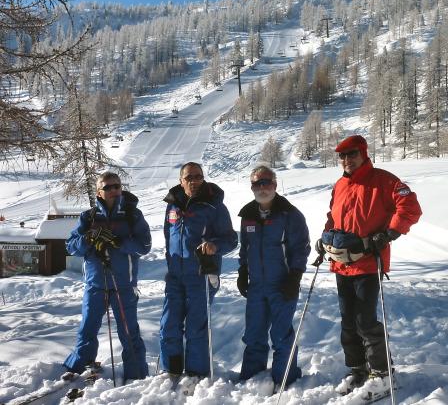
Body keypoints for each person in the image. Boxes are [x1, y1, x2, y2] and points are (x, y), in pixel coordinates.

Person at [321, 135, 422, 395]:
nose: (346, 160)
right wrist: (325, 239)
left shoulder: (385, 181)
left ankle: (383, 374)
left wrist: (388, 234)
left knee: (365, 321)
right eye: (342, 156)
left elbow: (410, 208)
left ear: (363, 153)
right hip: (342, 264)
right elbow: (332, 216)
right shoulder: (340, 185)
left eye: (351, 154)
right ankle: (358, 370)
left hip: (368, 263)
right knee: (347, 321)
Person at [64, 171, 152, 382]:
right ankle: (78, 368)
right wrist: (88, 239)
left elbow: (145, 246)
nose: (113, 190)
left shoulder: (133, 215)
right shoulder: (89, 217)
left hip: (123, 285)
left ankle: (136, 374)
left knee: (129, 333)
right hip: (95, 284)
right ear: (99, 192)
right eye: (108, 187)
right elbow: (70, 246)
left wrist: (119, 243)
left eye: (117, 186)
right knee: (87, 330)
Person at [160, 162, 237, 378]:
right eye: (189, 177)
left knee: (196, 328)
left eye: (198, 177)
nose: (194, 181)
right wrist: (170, 266)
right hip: (175, 276)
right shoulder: (172, 205)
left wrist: (215, 246)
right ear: (180, 180)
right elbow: (169, 238)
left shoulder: (214, 206)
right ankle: (171, 370)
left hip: (201, 276)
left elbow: (231, 240)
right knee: (169, 325)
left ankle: (196, 373)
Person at [237, 165, 311, 390]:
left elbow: (301, 247)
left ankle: (285, 379)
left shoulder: (290, 214)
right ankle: (252, 377)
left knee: (281, 334)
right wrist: (242, 272)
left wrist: (295, 276)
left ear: (275, 185)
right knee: (254, 333)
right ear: (252, 188)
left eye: (266, 182)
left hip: (282, 284)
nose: (262, 187)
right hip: (257, 285)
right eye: (257, 184)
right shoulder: (248, 214)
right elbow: (245, 248)